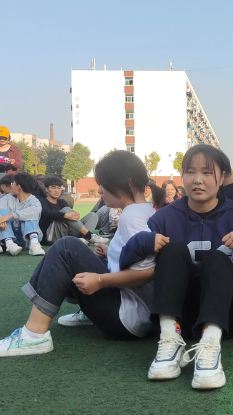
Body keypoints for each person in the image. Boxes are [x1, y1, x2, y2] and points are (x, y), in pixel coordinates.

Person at [120, 145, 233, 389]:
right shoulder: (164, 217)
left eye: (207, 172)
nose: (197, 180)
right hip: (182, 312)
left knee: (215, 258)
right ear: (183, 177)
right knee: (173, 250)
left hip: (228, 314)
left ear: (222, 177)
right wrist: (145, 241)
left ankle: (211, 344)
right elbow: (125, 259)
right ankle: (169, 338)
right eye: (190, 172)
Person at [0, 151, 157, 357]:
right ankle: (87, 312)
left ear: (126, 183)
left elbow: (149, 272)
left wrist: (100, 280)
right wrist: (111, 253)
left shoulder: (133, 217)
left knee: (66, 248)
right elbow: (139, 258)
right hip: (135, 314)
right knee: (75, 250)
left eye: (103, 184)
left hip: (126, 319)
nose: (99, 190)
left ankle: (34, 335)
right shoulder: (142, 211)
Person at [39, 176, 110, 246]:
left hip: (66, 233)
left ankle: (83, 239)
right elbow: (47, 214)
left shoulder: (62, 202)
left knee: (93, 215)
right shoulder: (42, 201)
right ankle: (90, 236)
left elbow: (71, 215)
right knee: (66, 211)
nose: (56, 190)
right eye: (53, 188)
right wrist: (65, 215)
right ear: (46, 189)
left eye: (59, 188)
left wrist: (73, 215)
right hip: (50, 236)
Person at [0, 173, 45, 256]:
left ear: (18, 187)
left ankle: (34, 244)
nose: (11, 186)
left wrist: (10, 216)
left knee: (28, 215)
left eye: (13, 183)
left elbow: (34, 212)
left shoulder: (34, 201)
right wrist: (1, 219)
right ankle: (10, 244)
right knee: (3, 212)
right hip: (9, 236)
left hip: (27, 239)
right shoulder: (7, 198)